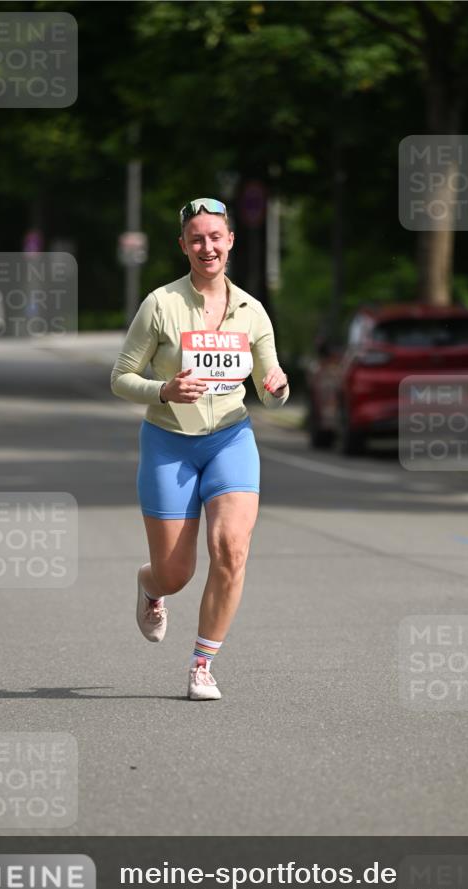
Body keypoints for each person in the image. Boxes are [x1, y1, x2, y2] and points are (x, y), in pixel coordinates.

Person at [110, 197, 289, 700]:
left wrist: (277, 387)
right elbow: (121, 377)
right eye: (196, 239)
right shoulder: (161, 304)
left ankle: (202, 663)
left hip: (231, 437)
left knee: (230, 548)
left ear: (230, 240)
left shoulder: (252, 311)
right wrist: (162, 390)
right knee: (176, 572)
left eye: (215, 237)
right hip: (169, 441)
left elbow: (271, 389)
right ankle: (151, 586)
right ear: (183, 245)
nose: (206, 246)